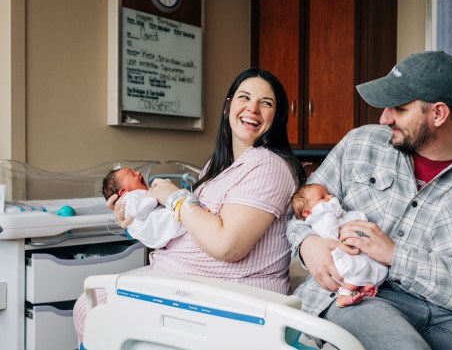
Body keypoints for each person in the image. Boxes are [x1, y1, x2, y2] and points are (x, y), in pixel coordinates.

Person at [287, 51, 452, 349]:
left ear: (438, 114)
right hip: (362, 296)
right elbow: (300, 213)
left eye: (399, 108)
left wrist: (397, 256)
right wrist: (308, 244)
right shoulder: (360, 144)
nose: (384, 117)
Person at [73, 68, 306, 344]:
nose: (252, 108)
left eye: (265, 103)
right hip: (185, 285)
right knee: (90, 307)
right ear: (228, 107)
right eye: (244, 97)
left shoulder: (270, 165)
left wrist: (176, 197)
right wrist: (137, 220)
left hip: (230, 296)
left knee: (96, 312)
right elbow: (188, 227)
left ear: (276, 118)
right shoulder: (218, 166)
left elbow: (227, 245)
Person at [291, 183, 388, 308]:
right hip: (336, 254)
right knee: (358, 268)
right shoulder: (320, 217)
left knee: (376, 267)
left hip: (350, 250)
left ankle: (358, 290)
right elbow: (330, 232)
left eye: (329, 194)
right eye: (322, 198)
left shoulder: (334, 212)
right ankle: (344, 295)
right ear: (307, 212)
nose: (330, 197)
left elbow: (350, 218)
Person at [101, 167, 195, 249]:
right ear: (123, 192)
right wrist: (154, 195)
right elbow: (139, 211)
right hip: (167, 227)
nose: (138, 173)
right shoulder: (130, 197)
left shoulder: (135, 199)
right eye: (132, 174)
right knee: (185, 207)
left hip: (160, 238)